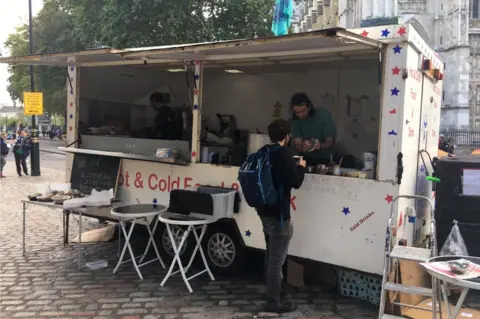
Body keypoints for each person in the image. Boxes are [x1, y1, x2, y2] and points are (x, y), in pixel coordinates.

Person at [256, 119, 306, 313]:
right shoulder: (284, 153)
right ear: (287, 136)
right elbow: (295, 182)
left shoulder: (262, 152)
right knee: (276, 260)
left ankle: (273, 292)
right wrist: (301, 166)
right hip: (278, 214)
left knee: (271, 256)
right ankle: (273, 301)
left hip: (264, 211)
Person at [290, 92, 336, 165]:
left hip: (324, 159)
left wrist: (320, 145)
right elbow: (298, 145)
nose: (300, 115)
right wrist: (303, 147)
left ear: (309, 106)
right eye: (297, 112)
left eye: (303, 111)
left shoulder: (323, 115)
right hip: (305, 159)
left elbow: (330, 141)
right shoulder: (295, 121)